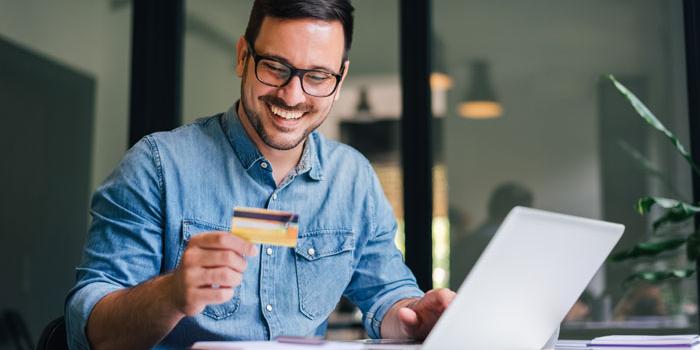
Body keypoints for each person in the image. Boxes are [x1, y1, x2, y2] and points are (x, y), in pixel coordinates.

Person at [65, 1, 455, 349]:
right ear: (242, 57)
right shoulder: (157, 166)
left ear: (340, 79)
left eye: (317, 76)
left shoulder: (353, 179)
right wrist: (171, 294)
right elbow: (92, 330)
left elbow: (386, 291)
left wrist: (414, 315)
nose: (292, 95)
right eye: (275, 67)